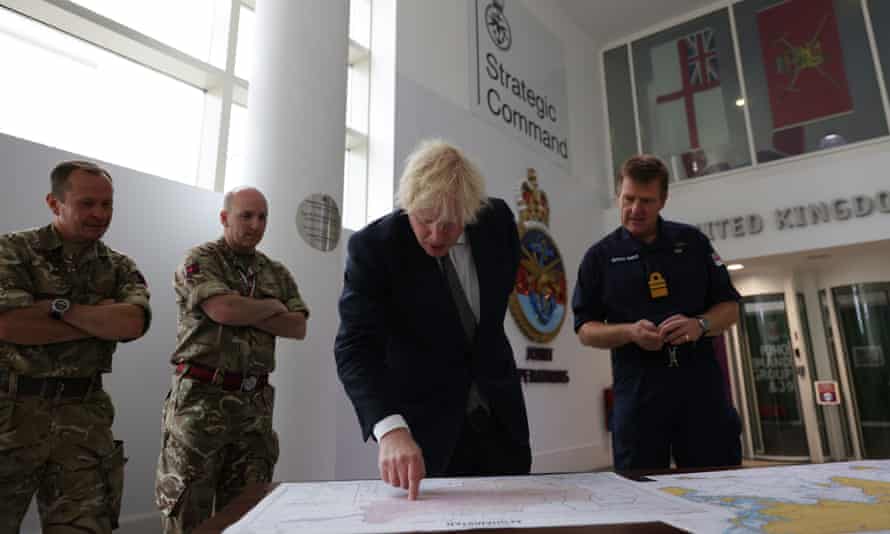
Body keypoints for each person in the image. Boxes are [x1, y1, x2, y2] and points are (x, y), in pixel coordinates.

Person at [335, 139, 531, 500]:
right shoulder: (374, 249)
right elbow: (354, 348)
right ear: (407, 204)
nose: (436, 236)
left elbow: (489, 317)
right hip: (424, 434)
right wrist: (390, 429)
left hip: (502, 423)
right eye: (424, 221)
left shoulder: (498, 222)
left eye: (451, 225)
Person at [0, 160, 151, 533]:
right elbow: (11, 324)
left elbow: (132, 323)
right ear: (55, 203)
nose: (100, 214)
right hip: (10, 417)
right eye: (87, 203)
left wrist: (55, 309)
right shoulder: (13, 252)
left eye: (107, 204)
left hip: (84, 421)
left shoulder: (118, 267)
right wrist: (96, 320)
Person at [572, 154, 742, 471]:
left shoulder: (693, 243)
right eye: (629, 199)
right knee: (641, 500)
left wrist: (700, 324)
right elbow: (584, 329)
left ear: (663, 200)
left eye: (647, 201)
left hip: (702, 396)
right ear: (618, 196)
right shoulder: (599, 257)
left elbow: (730, 308)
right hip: (638, 400)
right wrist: (629, 332)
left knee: (719, 488)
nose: (636, 209)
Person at [155, 187, 308, 534]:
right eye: (246, 216)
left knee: (248, 514)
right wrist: (271, 308)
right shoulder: (201, 259)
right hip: (200, 400)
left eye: (263, 217)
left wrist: (243, 310)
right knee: (188, 514)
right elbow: (221, 309)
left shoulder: (275, 272)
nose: (256, 224)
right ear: (224, 218)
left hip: (253, 407)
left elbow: (297, 326)